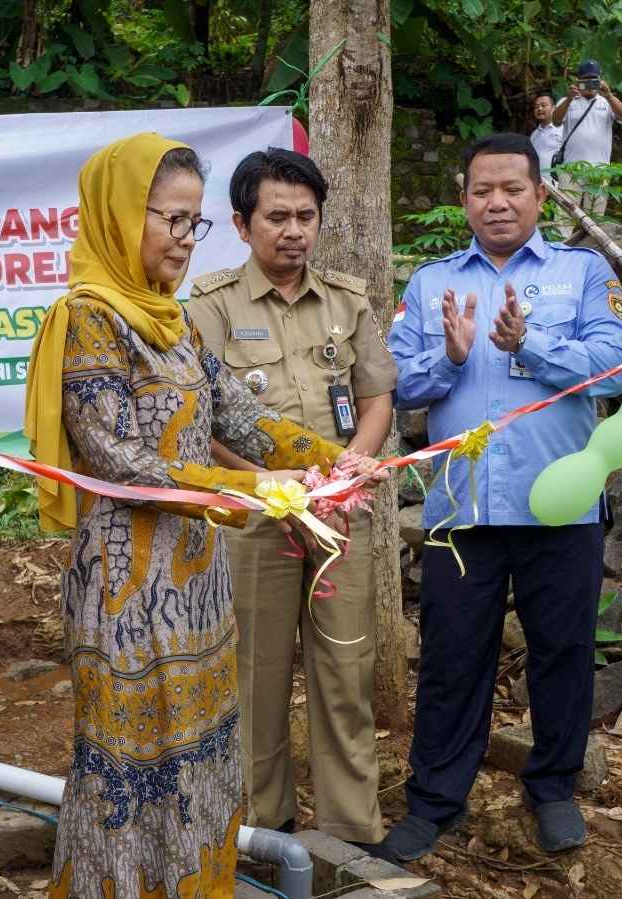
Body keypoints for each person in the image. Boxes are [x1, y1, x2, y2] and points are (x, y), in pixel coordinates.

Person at [24, 133, 371, 899]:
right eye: (169, 221)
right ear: (119, 217)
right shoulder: (91, 318)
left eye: (193, 223)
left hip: (196, 581)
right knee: (130, 764)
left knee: (201, 757)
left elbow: (241, 414)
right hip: (126, 588)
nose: (184, 240)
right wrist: (252, 488)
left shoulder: (173, 322)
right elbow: (119, 458)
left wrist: (330, 461)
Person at [378, 133, 622, 862]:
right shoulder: (431, 284)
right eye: (482, 190)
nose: (497, 202)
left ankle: (552, 787)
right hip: (463, 510)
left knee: (563, 651)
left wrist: (529, 346)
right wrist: (451, 355)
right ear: (463, 200)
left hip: (561, 503)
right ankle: (435, 800)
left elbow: (613, 369)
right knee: (454, 657)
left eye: (512, 189)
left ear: (539, 196)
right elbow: (398, 388)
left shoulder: (583, 273)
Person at [189, 148, 396, 850]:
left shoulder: (347, 298)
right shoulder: (210, 307)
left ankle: (349, 833)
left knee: (345, 670)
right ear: (242, 225)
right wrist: (266, 485)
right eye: (277, 216)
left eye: (306, 216)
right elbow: (203, 422)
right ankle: (261, 830)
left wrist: (355, 465)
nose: (294, 230)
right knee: (257, 675)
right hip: (256, 520)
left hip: (340, 514)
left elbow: (376, 395)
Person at [549, 60, 622, 219]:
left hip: (600, 170)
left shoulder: (606, 102)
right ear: (578, 81)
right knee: (564, 218)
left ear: (601, 80)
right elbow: (555, 121)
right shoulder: (568, 101)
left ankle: (591, 244)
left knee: (595, 218)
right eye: (586, 80)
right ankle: (563, 243)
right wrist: (569, 99)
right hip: (571, 169)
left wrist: (609, 95)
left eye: (594, 80)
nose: (590, 84)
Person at [529, 94, 563, 176]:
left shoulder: (563, 130)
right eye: (536, 107)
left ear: (554, 108)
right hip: (538, 181)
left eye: (543, 105)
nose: (539, 109)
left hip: (557, 182)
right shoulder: (534, 134)